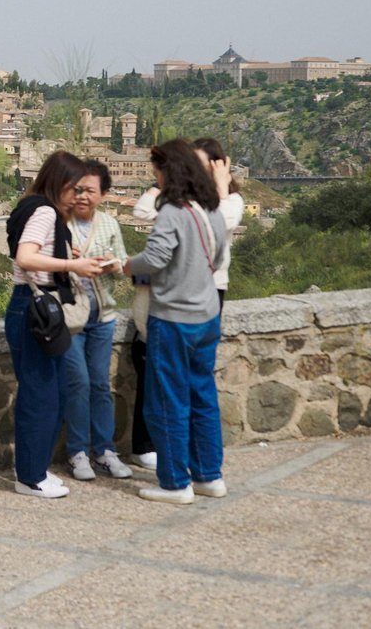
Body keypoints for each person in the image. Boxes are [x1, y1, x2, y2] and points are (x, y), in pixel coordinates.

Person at [124, 140, 229, 505]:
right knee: (203, 397)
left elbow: (155, 257)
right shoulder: (212, 208)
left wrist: (126, 265)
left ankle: (174, 482)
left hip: (173, 317)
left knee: (167, 401)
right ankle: (209, 475)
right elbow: (216, 255)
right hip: (207, 315)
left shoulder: (172, 210)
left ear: (169, 171)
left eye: (156, 169)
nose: (154, 176)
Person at [4, 151, 109, 499]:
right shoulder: (45, 211)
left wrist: (67, 257)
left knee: (51, 391)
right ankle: (31, 476)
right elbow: (25, 257)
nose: (78, 196)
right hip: (38, 308)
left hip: (32, 307)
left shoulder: (31, 206)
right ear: (58, 182)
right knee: (41, 394)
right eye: (73, 187)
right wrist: (72, 268)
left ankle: (36, 470)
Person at [61, 160, 133, 482]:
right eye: (77, 190)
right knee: (78, 383)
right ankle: (78, 451)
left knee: (101, 384)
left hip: (103, 315)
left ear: (103, 194)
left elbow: (124, 262)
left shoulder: (109, 224)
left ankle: (105, 450)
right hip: (71, 316)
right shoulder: (59, 222)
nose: (82, 196)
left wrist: (112, 264)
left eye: (89, 190)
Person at [192, 138, 245, 304]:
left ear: (216, 167)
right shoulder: (186, 198)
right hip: (180, 283)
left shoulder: (233, 200)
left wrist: (221, 188)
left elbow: (225, 223)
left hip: (213, 284)